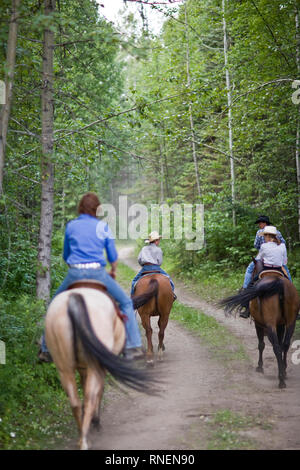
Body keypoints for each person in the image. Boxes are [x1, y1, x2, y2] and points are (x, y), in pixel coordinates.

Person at [39, 192, 144, 362]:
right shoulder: (102, 227)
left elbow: (66, 255)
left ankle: (46, 349)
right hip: (98, 273)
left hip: (74, 273)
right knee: (125, 302)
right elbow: (112, 256)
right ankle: (133, 346)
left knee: (53, 304)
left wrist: (75, 266)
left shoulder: (71, 226)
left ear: (80, 207)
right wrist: (114, 269)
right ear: (97, 209)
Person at [240, 225, 289, 319]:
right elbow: (284, 261)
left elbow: (258, 259)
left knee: (250, 285)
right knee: (289, 285)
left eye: (264, 236)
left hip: (266, 269)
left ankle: (246, 308)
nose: (264, 238)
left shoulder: (264, 246)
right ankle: (294, 311)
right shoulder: (282, 246)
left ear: (267, 236)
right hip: (279, 270)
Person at [242, 215, 291, 291]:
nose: (259, 225)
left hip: (264, 260)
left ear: (264, 223)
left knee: (250, 268)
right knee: (286, 270)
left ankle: (245, 288)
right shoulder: (278, 233)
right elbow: (283, 244)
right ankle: (291, 287)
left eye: (260, 223)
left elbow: (256, 246)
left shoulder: (260, 233)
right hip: (278, 262)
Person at [131, 231, 176, 300]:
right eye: (159, 240)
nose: (159, 241)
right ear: (156, 241)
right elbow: (160, 262)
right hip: (156, 268)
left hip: (145, 268)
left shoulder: (144, 248)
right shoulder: (158, 249)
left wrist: (144, 264)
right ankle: (172, 295)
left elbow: (139, 260)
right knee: (169, 279)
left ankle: (132, 297)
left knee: (134, 281)